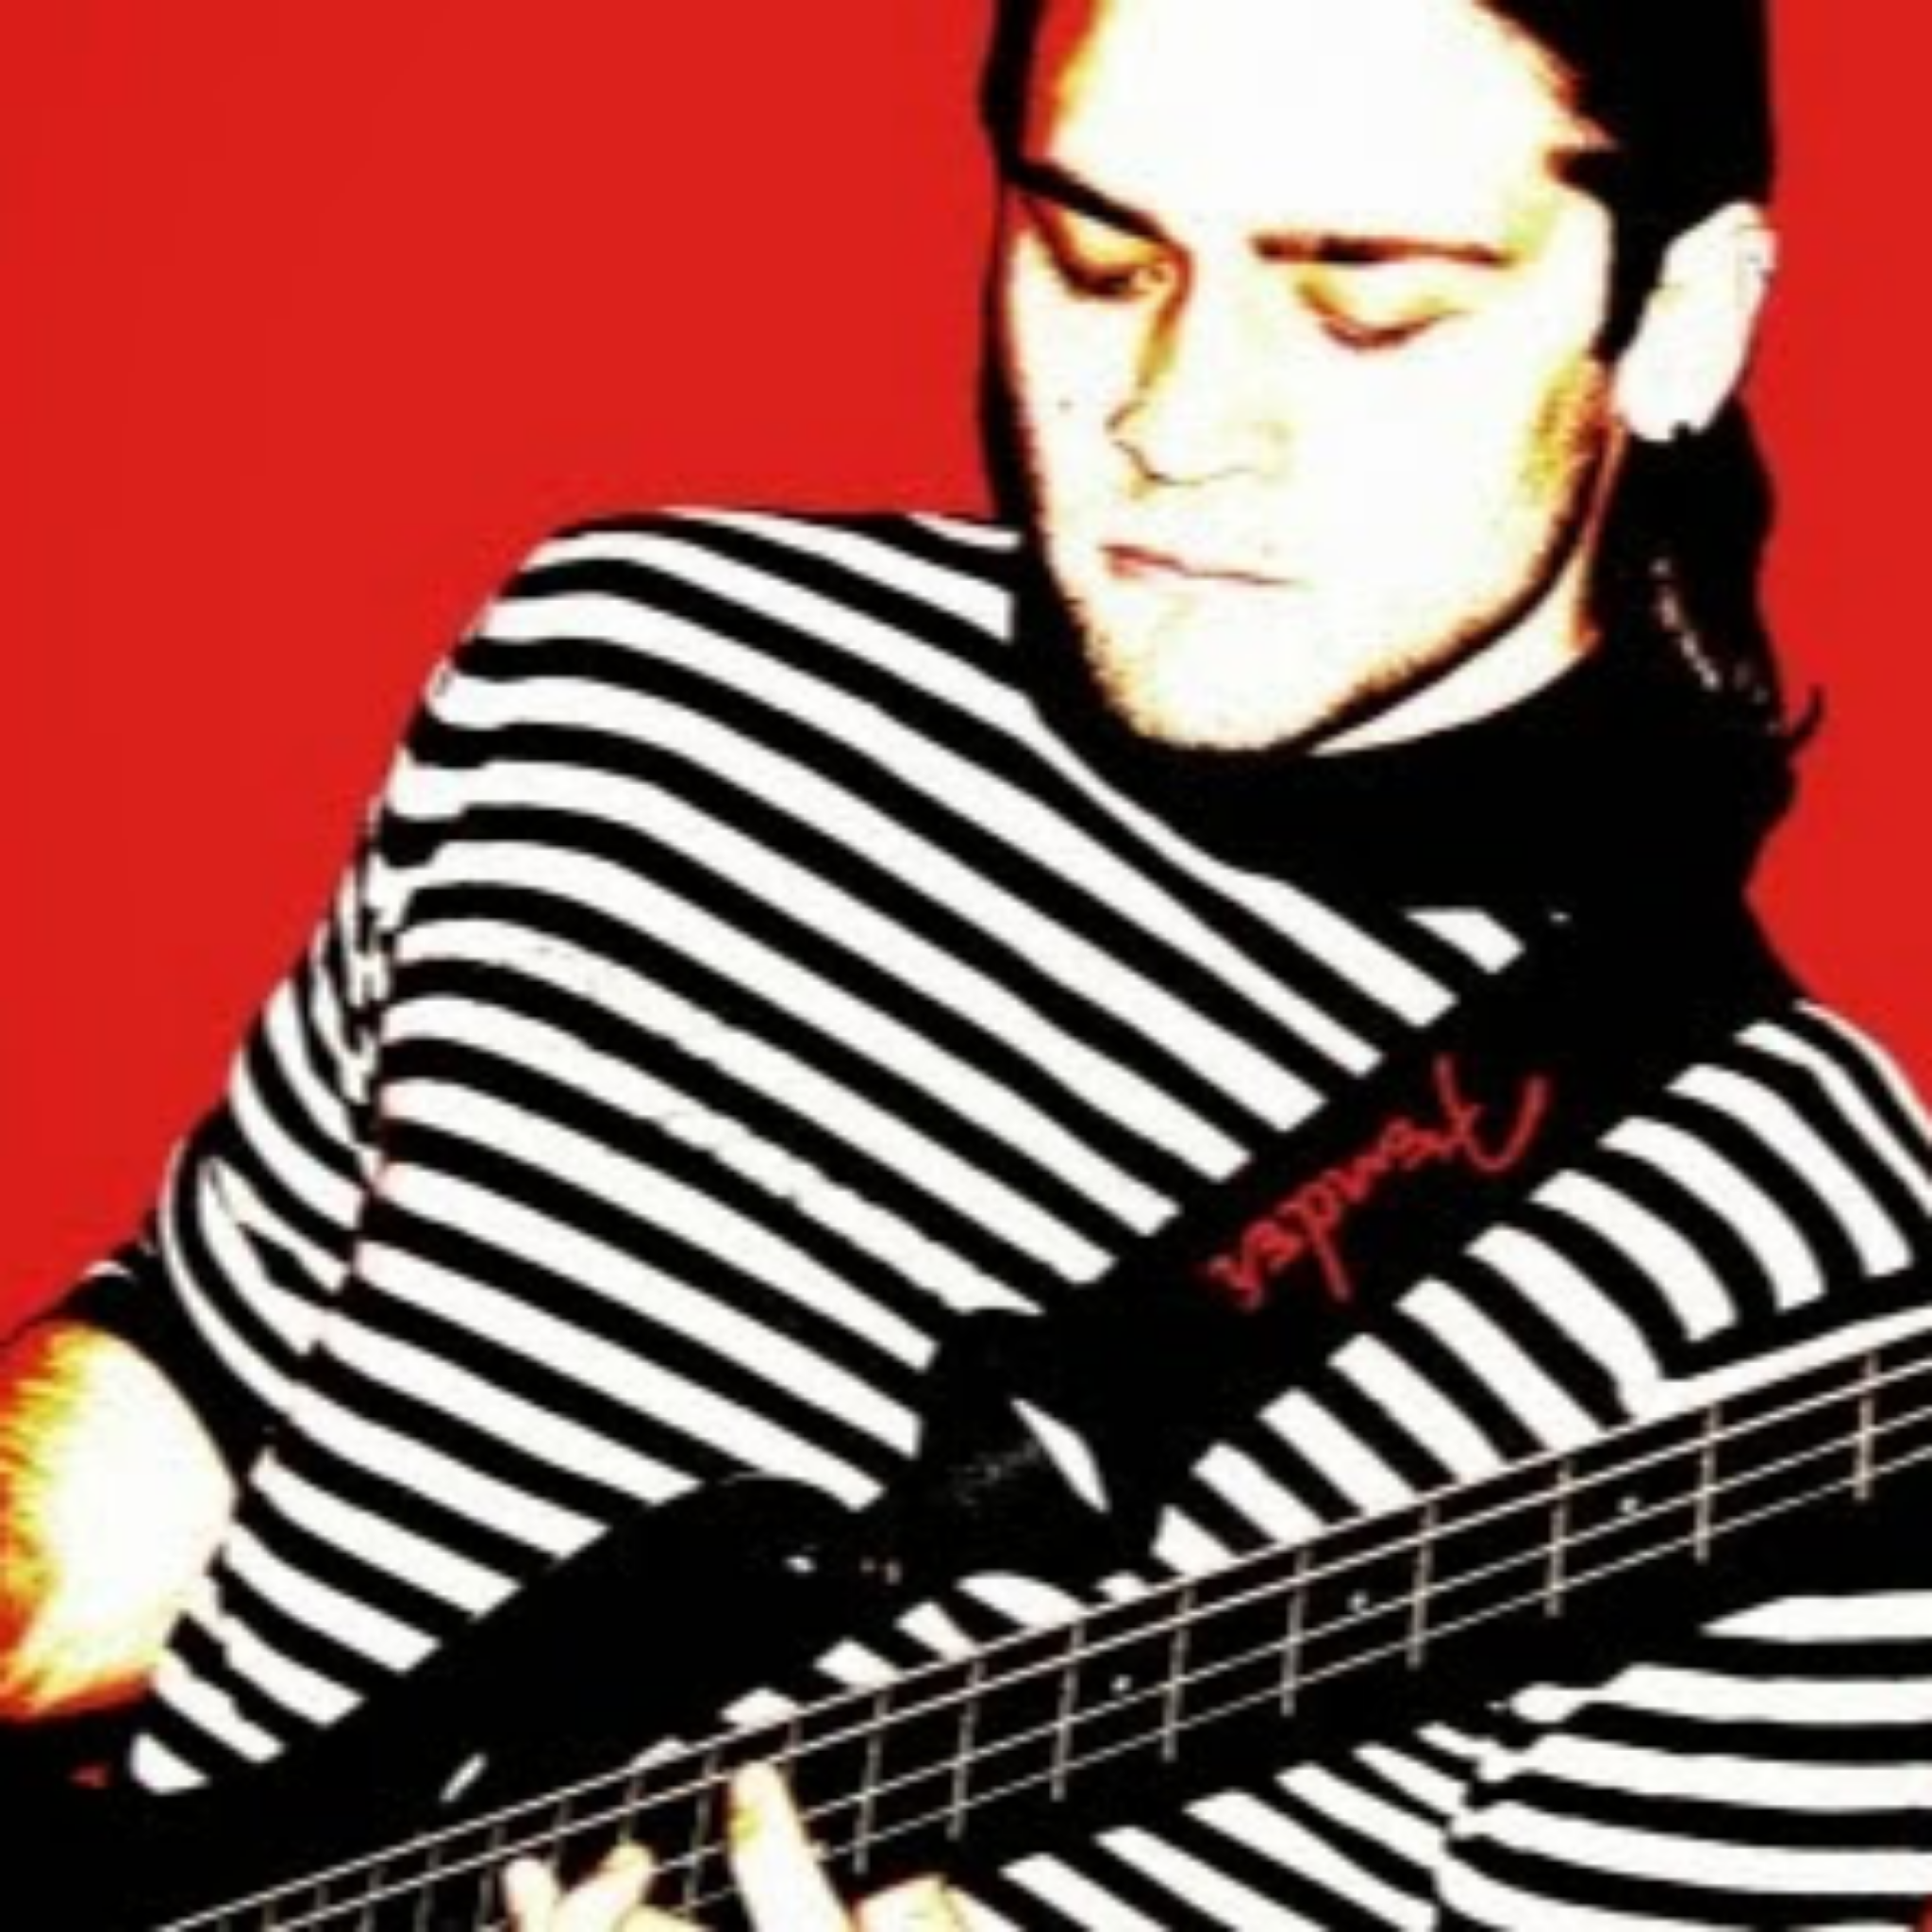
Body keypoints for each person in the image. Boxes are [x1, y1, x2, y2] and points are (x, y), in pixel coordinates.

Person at [6, 0, 1932, 1925]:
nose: (1173, 421)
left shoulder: (1803, 1270)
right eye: (1098, 258)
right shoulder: (653, 679)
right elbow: (210, 1391)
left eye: (1368, 310)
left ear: (1684, 319)